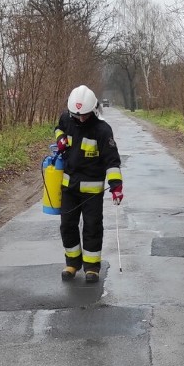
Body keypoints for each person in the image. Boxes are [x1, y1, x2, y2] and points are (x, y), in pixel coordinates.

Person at [54, 85, 123, 284]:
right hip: (69, 188)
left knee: (92, 227)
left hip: (92, 191)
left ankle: (92, 267)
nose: (81, 119)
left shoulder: (102, 130)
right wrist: (60, 139)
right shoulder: (67, 119)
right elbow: (58, 128)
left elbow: (112, 160)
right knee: (67, 226)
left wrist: (116, 186)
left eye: (85, 115)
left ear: (93, 109)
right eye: (77, 115)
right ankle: (72, 263)